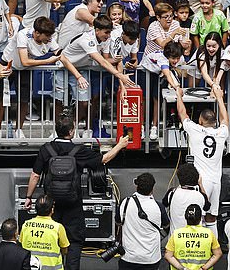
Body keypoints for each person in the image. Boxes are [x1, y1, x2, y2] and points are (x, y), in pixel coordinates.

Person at [24, 115, 129, 270]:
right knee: (74, 241)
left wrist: (28, 197)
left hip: (51, 204)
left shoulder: (46, 149)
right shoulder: (79, 151)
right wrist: (120, 145)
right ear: (72, 131)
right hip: (73, 204)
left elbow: (35, 175)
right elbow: (104, 159)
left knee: (51, 236)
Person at [175, 83, 229, 236]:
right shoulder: (221, 133)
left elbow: (182, 113)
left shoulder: (195, 130)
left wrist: (179, 95)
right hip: (215, 181)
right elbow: (225, 119)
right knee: (212, 217)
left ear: (200, 121)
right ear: (214, 121)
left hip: (201, 181)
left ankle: (199, 249)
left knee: (197, 217)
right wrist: (219, 98)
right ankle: (214, 247)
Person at [117, 173, 170, 270]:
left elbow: (118, 223)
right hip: (151, 259)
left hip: (128, 257)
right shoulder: (158, 207)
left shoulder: (125, 202)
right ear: (152, 188)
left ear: (136, 186)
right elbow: (166, 226)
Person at [164, 204, 223, 270]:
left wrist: (183, 268)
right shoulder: (209, 233)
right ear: (200, 217)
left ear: (185, 217)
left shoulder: (176, 234)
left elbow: (168, 255)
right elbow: (218, 254)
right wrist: (203, 268)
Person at [19, 195, 68, 270]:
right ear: (52, 210)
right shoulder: (58, 227)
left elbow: (21, 245)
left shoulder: (26, 225)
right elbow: (64, 249)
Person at [162, 163, 210, 235]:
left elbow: (164, 203)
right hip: (195, 239)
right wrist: (200, 184)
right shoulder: (200, 196)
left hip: (175, 239)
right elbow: (207, 206)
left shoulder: (172, 192)